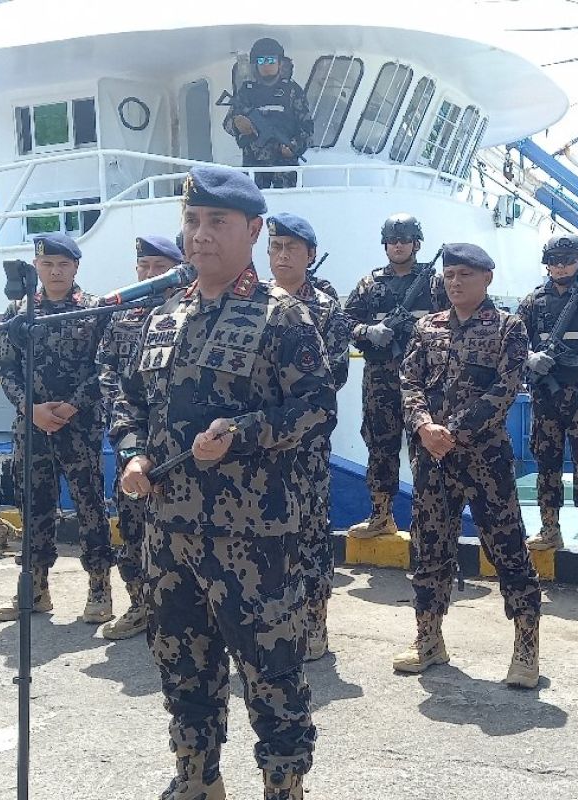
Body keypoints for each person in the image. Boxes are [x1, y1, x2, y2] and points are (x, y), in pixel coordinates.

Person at [112, 166, 335, 799]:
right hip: (169, 534)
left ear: (252, 230)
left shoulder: (283, 317)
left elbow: (317, 409)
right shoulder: (160, 318)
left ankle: (284, 786)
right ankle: (197, 778)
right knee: (182, 666)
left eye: (217, 222)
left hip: (253, 539)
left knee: (271, 675)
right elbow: (128, 405)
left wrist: (241, 434)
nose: (201, 236)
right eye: (192, 222)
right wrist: (130, 456)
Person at [395, 243, 542, 688]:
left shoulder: (507, 328)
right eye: (450, 274)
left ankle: (525, 648)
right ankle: (428, 639)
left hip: (484, 460)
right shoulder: (427, 327)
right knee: (428, 548)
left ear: (487, 279)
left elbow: (503, 390)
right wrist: (423, 425)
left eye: (464, 275)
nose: (454, 282)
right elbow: (409, 380)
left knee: (507, 550)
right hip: (432, 460)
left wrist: (451, 432)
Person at [0, 232, 115, 625]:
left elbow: (105, 366)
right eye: (47, 265)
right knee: (34, 506)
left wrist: (73, 405)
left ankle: (99, 588)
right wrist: (31, 410)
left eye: (63, 264)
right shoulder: (19, 312)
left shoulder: (95, 310)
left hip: (79, 426)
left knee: (89, 506)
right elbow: (6, 368)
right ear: (37, 266)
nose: (55, 271)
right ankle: (35, 587)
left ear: (76, 267)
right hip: (32, 427)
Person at [266, 212, 352, 660]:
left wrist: (282, 407)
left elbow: (333, 371)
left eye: (291, 249)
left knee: (312, 531)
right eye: (276, 247)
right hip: (258, 445)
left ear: (310, 255)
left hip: (306, 442)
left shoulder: (326, 308)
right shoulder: (253, 303)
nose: (282, 256)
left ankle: (315, 619)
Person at [96, 234, 183, 640]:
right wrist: (126, 433)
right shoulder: (122, 316)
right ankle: (138, 603)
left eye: (159, 268)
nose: (150, 275)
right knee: (130, 525)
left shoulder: (185, 313)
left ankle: (179, 610)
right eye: (144, 267)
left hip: (176, 445)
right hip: (131, 438)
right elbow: (109, 374)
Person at [343, 213, 445, 538]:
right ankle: (381, 515)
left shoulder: (434, 284)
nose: (398, 245)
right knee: (380, 446)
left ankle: (428, 522)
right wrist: (368, 330)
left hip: (423, 379)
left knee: (425, 449)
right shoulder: (369, 285)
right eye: (392, 240)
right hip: (379, 378)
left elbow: (456, 321)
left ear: (416, 243)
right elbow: (343, 322)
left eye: (404, 240)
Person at [518, 234, 578, 554]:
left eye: (567, 260)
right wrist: (530, 357)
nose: (560, 267)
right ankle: (549, 528)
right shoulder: (534, 301)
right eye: (554, 261)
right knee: (546, 460)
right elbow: (514, 339)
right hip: (546, 396)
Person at [223, 37, 312, 190]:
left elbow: (308, 128)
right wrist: (237, 124)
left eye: (271, 60)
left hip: (285, 169)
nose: (266, 65)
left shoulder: (293, 92)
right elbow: (227, 124)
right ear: (255, 64)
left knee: (287, 210)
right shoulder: (246, 92)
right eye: (261, 60)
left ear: (280, 63)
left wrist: (294, 147)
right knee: (252, 211)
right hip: (254, 168)